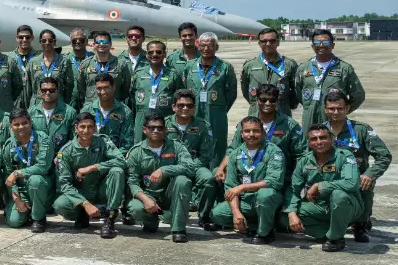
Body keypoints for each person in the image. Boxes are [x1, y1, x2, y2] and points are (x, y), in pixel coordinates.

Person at [324, 91, 390, 243]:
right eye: (332, 109)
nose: (335, 112)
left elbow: (384, 155)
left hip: (356, 179)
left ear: (347, 109)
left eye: (340, 108)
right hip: (329, 178)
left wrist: (370, 174)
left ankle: (360, 223)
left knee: (365, 184)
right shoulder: (320, 131)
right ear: (325, 109)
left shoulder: (361, 130)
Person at [285, 125, 362, 252]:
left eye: (323, 137)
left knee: (339, 195)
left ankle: (335, 239)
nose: (319, 142)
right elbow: (294, 189)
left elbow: (352, 183)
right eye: (314, 139)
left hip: (348, 207)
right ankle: (325, 232)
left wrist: (320, 186)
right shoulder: (304, 161)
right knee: (283, 216)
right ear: (309, 143)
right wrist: (292, 213)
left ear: (331, 139)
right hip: (319, 206)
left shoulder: (344, 156)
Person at [210, 117, 286, 244]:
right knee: (217, 214)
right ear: (242, 133)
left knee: (264, 195)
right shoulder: (235, 154)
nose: (251, 135)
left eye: (256, 131)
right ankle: (256, 225)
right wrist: (236, 213)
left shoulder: (274, 151)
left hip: (268, 199)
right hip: (246, 201)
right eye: (247, 131)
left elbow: (274, 182)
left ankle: (265, 233)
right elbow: (230, 187)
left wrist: (242, 187)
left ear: (262, 133)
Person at [124, 113, 197, 242]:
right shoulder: (136, 152)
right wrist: (146, 199)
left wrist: (164, 170)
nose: (156, 131)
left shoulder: (176, 146)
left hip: (170, 194)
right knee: (135, 208)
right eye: (152, 128)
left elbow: (190, 168)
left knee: (182, 180)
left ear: (166, 130)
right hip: (149, 194)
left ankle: (178, 229)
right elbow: (132, 182)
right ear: (144, 130)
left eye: (160, 128)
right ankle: (151, 221)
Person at [52, 113, 126, 238]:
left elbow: (122, 161)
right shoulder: (65, 151)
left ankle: (110, 219)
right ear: (76, 128)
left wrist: (93, 167)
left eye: (90, 127)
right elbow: (64, 184)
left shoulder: (103, 141)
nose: (86, 130)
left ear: (95, 128)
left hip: (102, 188)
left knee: (117, 171)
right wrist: (85, 204)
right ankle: (83, 214)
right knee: (60, 205)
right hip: (81, 192)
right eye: (82, 127)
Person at [0, 110, 53, 231]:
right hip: (21, 190)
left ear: (30, 123)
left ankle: (38, 219)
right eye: (16, 124)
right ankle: (26, 211)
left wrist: (17, 173)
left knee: (35, 180)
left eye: (24, 123)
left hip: (42, 187)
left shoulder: (43, 139)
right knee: (13, 222)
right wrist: (16, 199)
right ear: (11, 127)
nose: (21, 127)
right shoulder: (10, 145)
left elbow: (43, 166)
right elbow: (8, 175)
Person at [218, 88, 305, 181]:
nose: (267, 103)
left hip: (280, 174)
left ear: (277, 102)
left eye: (272, 100)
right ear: (257, 101)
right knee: (218, 174)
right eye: (263, 100)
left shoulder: (290, 125)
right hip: (248, 172)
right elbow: (233, 149)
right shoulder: (246, 123)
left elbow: (301, 154)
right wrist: (221, 168)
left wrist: (296, 177)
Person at [180, 32, 238, 165]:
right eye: (203, 45)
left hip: (216, 115)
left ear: (216, 47)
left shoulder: (225, 67)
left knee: (217, 146)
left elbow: (231, 94)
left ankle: (217, 175)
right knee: (192, 142)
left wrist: (218, 107)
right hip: (193, 113)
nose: (206, 49)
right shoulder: (190, 66)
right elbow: (184, 89)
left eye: (211, 46)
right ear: (198, 46)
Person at [167, 90, 219, 231]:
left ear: (194, 108)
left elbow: (206, 155)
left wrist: (188, 167)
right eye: (181, 105)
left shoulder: (203, 126)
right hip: (170, 166)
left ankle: (204, 216)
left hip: (195, 165)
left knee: (208, 178)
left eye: (189, 106)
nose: (185, 108)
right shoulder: (163, 125)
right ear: (173, 107)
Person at [293, 29, 365, 129]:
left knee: (334, 143)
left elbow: (358, 95)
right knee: (309, 143)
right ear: (312, 46)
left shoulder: (344, 68)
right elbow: (298, 92)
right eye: (317, 43)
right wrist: (310, 106)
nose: (321, 45)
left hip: (334, 121)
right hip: (309, 120)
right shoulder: (303, 68)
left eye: (326, 42)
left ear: (332, 45)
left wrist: (341, 111)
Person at [129, 39, 180, 143]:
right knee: (141, 150)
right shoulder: (138, 74)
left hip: (164, 121)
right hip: (142, 121)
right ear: (147, 54)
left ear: (165, 54)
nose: (154, 55)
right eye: (151, 52)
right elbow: (132, 97)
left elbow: (179, 98)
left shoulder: (173, 75)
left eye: (159, 52)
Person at [240, 27, 299, 118]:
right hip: (256, 115)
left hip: (282, 114)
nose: (268, 44)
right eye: (264, 41)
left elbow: (296, 90)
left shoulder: (289, 64)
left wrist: (285, 105)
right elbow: (245, 89)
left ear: (278, 42)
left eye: (272, 41)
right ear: (259, 43)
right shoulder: (249, 65)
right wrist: (256, 103)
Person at [72, 31, 130, 110]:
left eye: (105, 42)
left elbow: (126, 87)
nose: (101, 44)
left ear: (110, 44)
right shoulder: (86, 64)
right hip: (91, 108)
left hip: (114, 108)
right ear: (94, 45)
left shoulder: (120, 64)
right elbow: (81, 88)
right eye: (98, 42)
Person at [28, 29, 74, 106]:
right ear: (40, 43)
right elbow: (28, 87)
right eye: (44, 41)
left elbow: (69, 86)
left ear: (55, 42)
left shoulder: (64, 61)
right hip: (37, 103)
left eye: (50, 40)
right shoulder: (33, 62)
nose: (47, 43)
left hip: (58, 102)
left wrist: (65, 103)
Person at [30, 77, 75, 153]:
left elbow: (74, 139)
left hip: (60, 157)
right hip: (38, 157)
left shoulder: (69, 112)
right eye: (44, 90)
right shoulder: (31, 112)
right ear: (39, 92)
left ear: (57, 92)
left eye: (51, 90)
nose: (47, 93)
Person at [90, 72, 133, 149]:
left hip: (115, 156)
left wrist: (114, 158)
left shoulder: (125, 112)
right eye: (99, 88)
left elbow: (127, 143)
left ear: (113, 88)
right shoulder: (88, 110)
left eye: (106, 88)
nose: (102, 92)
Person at [10, 25, 36, 106]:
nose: (24, 40)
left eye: (27, 37)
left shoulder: (39, 57)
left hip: (34, 103)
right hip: (15, 103)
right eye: (21, 37)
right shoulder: (9, 58)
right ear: (17, 38)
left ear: (32, 38)